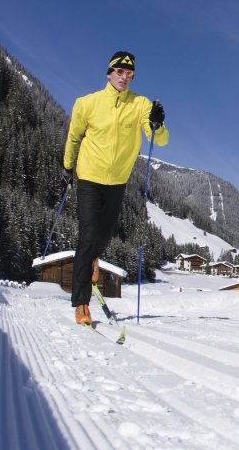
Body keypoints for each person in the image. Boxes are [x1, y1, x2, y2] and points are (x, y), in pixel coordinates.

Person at [62, 51, 169, 325]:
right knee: (86, 237)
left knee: (105, 235)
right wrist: (67, 168)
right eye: (120, 72)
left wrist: (158, 123)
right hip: (88, 177)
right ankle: (81, 303)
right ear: (109, 73)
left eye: (130, 74)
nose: (125, 77)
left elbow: (159, 139)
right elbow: (74, 138)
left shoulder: (140, 104)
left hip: (117, 182)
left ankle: (94, 259)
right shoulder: (87, 104)